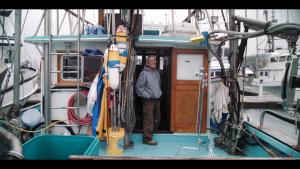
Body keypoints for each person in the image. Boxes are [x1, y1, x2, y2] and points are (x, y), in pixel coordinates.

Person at [135, 55, 162, 145]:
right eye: (151, 61)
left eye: (154, 60)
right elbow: (139, 88)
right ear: (147, 62)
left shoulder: (157, 72)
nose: (153, 62)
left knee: (157, 118)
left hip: (157, 99)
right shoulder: (143, 73)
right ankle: (147, 139)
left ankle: (151, 133)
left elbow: (158, 85)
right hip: (148, 100)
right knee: (149, 120)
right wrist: (147, 96)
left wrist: (159, 93)